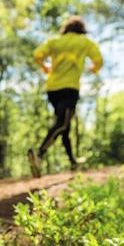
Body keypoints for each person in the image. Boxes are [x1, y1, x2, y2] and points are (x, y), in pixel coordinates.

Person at [28, 15, 103, 176]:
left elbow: (38, 55)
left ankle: (73, 162)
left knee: (64, 128)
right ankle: (39, 154)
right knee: (62, 124)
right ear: (81, 29)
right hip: (70, 88)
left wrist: (45, 67)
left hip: (52, 89)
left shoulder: (55, 41)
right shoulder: (85, 42)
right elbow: (98, 59)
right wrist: (94, 69)